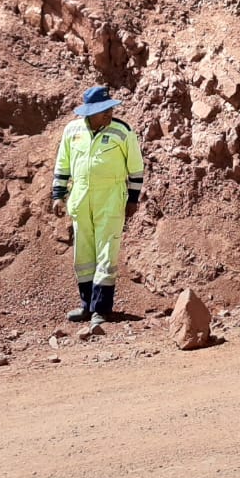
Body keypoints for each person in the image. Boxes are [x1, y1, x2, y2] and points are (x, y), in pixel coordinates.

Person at [51, 85, 144, 325]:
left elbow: (135, 168)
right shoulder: (72, 131)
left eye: (109, 109)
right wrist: (58, 195)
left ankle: (101, 310)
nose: (108, 114)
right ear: (88, 113)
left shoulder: (123, 131)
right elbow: (63, 164)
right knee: (83, 254)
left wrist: (133, 200)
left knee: (106, 253)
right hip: (80, 197)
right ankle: (86, 306)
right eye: (102, 110)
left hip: (111, 198)